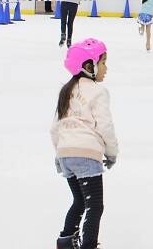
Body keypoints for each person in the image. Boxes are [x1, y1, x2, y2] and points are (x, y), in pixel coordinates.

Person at [50, 38, 118, 249]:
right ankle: (88, 245)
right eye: (104, 62)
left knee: (79, 202)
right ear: (89, 66)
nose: (106, 68)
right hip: (86, 154)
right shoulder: (98, 91)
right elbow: (105, 126)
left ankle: (65, 242)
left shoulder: (66, 91)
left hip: (66, 153)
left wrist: (59, 156)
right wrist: (112, 153)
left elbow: (55, 127)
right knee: (95, 206)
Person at [41, 0, 107, 48]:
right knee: (70, 23)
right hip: (74, 4)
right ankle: (69, 40)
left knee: (63, 21)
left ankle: (63, 35)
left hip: (64, 3)